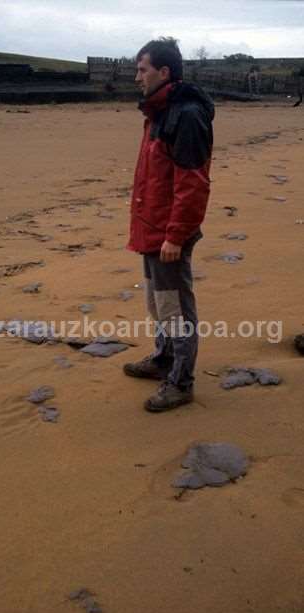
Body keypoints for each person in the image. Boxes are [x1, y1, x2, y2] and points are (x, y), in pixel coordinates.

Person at [124, 37, 214, 412]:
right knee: (157, 302)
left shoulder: (186, 114)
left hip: (168, 232)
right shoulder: (158, 112)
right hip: (152, 226)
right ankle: (163, 358)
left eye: (142, 69)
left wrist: (175, 235)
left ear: (164, 72)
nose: (136, 77)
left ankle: (181, 381)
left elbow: (192, 183)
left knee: (175, 307)